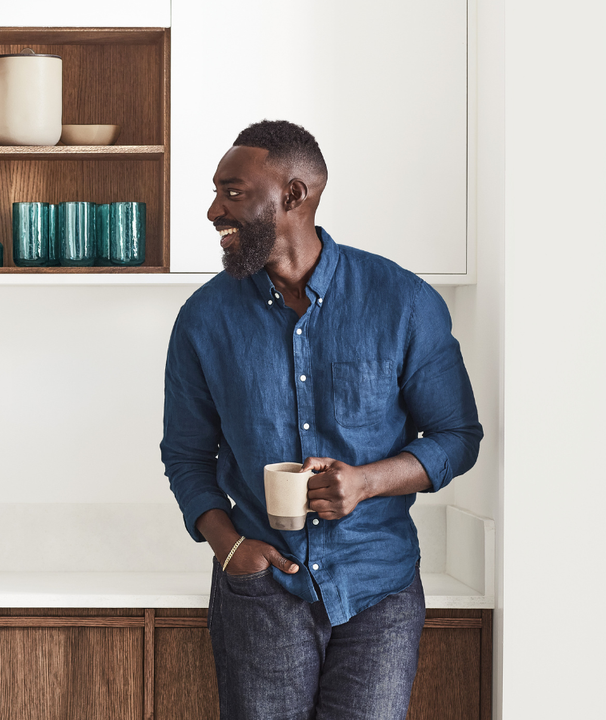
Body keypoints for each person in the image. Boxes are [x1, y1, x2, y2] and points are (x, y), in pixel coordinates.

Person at [160, 120, 483, 719]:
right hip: (260, 591)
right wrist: (230, 548)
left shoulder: (404, 301)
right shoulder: (204, 319)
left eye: (233, 192)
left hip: (377, 591)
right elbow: (185, 454)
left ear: (295, 194)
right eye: (216, 192)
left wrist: (366, 481)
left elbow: (457, 437)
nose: (212, 210)